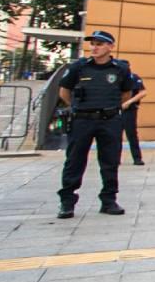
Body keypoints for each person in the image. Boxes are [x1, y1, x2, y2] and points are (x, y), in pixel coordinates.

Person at [56, 30, 132, 218]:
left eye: (99, 44)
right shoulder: (79, 67)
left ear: (110, 47)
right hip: (82, 120)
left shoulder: (120, 69)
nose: (95, 48)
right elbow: (64, 92)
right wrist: (77, 107)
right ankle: (67, 202)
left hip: (109, 120)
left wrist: (109, 108)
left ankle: (109, 200)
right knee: (74, 160)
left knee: (110, 161)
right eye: (93, 44)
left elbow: (126, 94)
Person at [120, 62, 147, 166]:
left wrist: (129, 102)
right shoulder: (114, 77)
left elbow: (143, 92)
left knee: (131, 134)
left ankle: (137, 158)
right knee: (115, 135)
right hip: (114, 110)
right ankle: (115, 158)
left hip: (129, 110)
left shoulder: (133, 77)